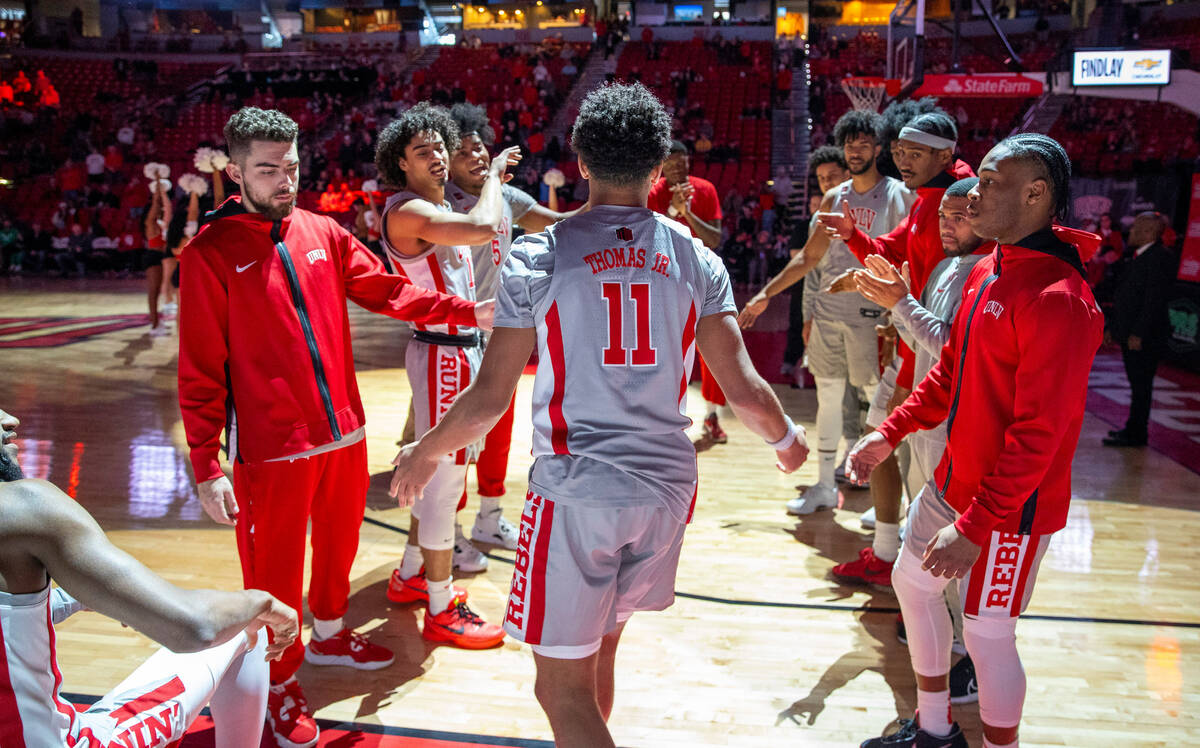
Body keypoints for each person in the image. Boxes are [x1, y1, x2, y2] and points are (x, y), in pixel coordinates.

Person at [390, 82, 809, 748]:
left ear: (580, 161)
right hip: (668, 490)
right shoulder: (697, 257)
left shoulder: (543, 253)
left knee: (558, 688)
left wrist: (424, 450)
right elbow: (746, 389)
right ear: (659, 165)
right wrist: (788, 441)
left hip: (580, 489)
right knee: (600, 654)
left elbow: (489, 397)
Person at [177, 107, 493, 748]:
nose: (283, 180)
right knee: (275, 573)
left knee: (339, 550)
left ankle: (328, 636)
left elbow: (386, 289)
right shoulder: (209, 253)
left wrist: (467, 311)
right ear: (235, 172)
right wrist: (207, 466)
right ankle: (278, 682)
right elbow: (201, 369)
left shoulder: (321, 230)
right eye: (267, 170)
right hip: (272, 451)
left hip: (344, 434)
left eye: (291, 166)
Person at [847, 134, 1103, 748]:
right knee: (912, 583)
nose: (972, 194)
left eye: (989, 182)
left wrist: (975, 525)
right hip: (952, 479)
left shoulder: (1061, 300)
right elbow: (950, 374)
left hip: (1011, 507)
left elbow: (1039, 435)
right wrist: (890, 430)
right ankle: (935, 729)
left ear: (1036, 195)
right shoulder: (988, 268)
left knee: (988, 632)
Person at [0, 407, 298, 747]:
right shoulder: (25, 505)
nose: (10, 420)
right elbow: (195, 628)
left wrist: (89, 594)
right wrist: (260, 600)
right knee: (244, 626)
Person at [374, 102, 516, 649]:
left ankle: (412, 573)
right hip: (442, 355)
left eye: (439, 146)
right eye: (423, 151)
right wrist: (497, 175)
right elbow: (484, 226)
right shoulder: (409, 211)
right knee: (441, 484)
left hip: (456, 350)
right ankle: (441, 606)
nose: (436, 158)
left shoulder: (432, 206)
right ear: (401, 164)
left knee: (444, 477)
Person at [816, 111, 974, 586]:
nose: (903, 160)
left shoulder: (963, 203)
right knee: (881, 438)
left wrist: (898, 303)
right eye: (900, 151)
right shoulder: (928, 200)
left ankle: (931, 580)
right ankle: (892, 554)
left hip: (941, 347)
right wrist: (851, 236)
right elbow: (890, 250)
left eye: (915, 153)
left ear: (945, 155)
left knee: (931, 467)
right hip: (914, 336)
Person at [851, 177, 991, 707]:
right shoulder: (942, 267)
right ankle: (948, 632)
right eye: (942, 217)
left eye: (961, 215)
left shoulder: (984, 271)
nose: (948, 224)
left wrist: (902, 303)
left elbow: (953, 350)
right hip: (931, 417)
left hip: (961, 428)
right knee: (926, 535)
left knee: (955, 544)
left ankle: (972, 654)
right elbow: (927, 348)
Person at [740, 110, 912, 517]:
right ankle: (821, 487)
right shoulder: (835, 198)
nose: (856, 150)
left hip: (875, 317)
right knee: (828, 402)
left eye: (863, 143)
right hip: (831, 314)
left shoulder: (899, 196)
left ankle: (889, 500)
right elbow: (808, 259)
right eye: (850, 143)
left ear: (879, 147)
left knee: (879, 408)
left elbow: (910, 260)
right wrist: (764, 294)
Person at [444, 102, 579, 561]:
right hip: (458, 332)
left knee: (498, 427)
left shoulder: (505, 196)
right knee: (460, 440)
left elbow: (558, 224)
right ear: (445, 160)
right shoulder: (440, 204)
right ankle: (449, 531)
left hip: (501, 329)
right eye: (463, 152)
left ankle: (488, 515)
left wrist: (606, 203)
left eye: (479, 147)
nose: (477, 157)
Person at [647, 140, 728, 443]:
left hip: (703, 279)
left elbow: (716, 238)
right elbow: (649, 235)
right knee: (665, 350)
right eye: (672, 163)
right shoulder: (652, 192)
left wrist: (688, 214)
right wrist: (672, 210)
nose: (679, 168)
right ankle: (663, 417)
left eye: (683, 162)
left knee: (712, 353)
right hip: (662, 281)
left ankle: (712, 417)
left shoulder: (705, 189)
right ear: (662, 166)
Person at [1102, 212, 1178, 447]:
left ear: (1148, 233)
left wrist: (1139, 333)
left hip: (1145, 337)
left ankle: (1137, 433)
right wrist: (1113, 328)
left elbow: (1153, 301)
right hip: (1128, 332)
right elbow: (1124, 296)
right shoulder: (1135, 256)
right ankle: (1133, 428)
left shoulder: (1159, 258)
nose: (1130, 232)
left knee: (1142, 385)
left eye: (1135, 228)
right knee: (1136, 384)